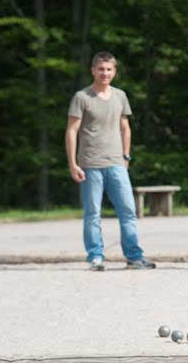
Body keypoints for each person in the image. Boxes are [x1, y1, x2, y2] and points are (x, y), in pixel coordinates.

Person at [65, 51, 156, 271]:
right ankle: (95, 257)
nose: (104, 73)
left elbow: (125, 127)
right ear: (93, 70)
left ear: (114, 71)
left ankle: (134, 257)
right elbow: (71, 130)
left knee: (128, 211)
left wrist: (126, 156)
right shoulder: (82, 97)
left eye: (109, 69)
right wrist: (73, 163)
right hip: (90, 164)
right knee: (92, 213)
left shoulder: (120, 96)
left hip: (116, 163)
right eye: (100, 69)